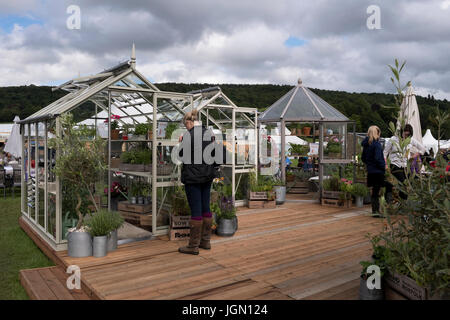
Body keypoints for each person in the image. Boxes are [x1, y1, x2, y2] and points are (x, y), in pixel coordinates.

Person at [177, 110, 217, 255]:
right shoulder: (209, 133)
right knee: (206, 207)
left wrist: (180, 144)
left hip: (193, 178)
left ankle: (193, 246)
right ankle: (205, 241)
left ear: (189, 122)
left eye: (185, 125)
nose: (186, 127)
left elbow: (181, 156)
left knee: (196, 210)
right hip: (207, 176)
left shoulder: (188, 135)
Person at [383, 124, 426, 201]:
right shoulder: (393, 139)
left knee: (408, 183)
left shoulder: (411, 140)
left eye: (408, 135)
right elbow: (385, 153)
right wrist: (385, 164)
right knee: (403, 182)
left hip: (405, 165)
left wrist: (414, 156)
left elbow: (422, 148)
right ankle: (398, 201)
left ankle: (403, 203)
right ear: (401, 132)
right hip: (394, 164)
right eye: (404, 134)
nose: (405, 136)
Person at [361, 125, 386, 216]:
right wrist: (384, 166)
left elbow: (363, 158)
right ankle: (377, 211)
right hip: (378, 171)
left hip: (370, 171)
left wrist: (369, 163)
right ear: (377, 133)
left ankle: (374, 210)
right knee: (378, 191)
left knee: (374, 192)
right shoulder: (376, 145)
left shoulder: (366, 145)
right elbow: (378, 158)